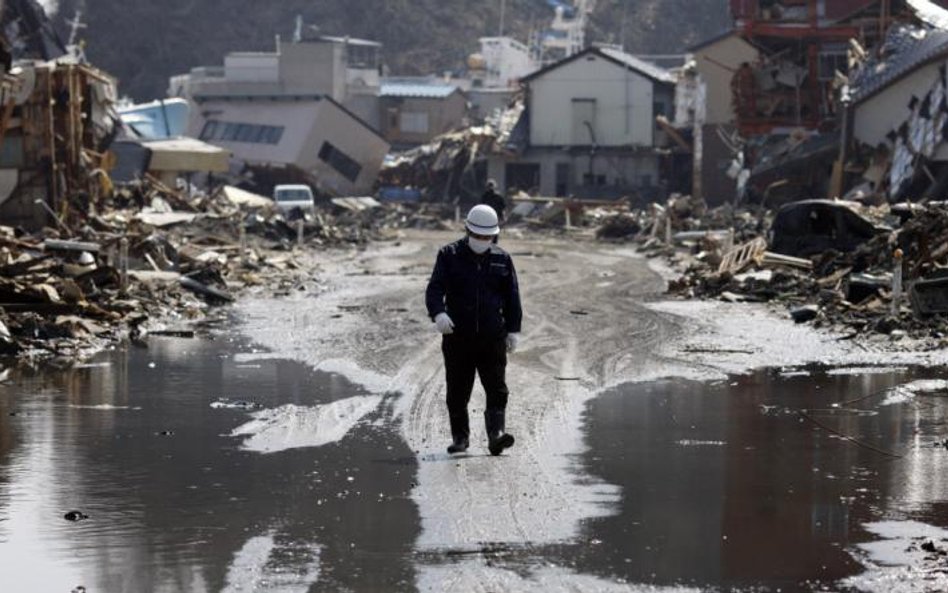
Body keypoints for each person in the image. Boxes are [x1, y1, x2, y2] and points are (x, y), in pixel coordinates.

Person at [425, 204, 522, 456]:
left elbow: (512, 298)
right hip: (458, 336)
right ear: (468, 230)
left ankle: (496, 435)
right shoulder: (449, 255)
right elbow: (435, 289)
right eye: (478, 236)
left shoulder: (502, 258)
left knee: (497, 388)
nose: (482, 241)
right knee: (457, 389)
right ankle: (460, 438)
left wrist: (513, 330)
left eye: (487, 237)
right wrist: (439, 313)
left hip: (492, 337)